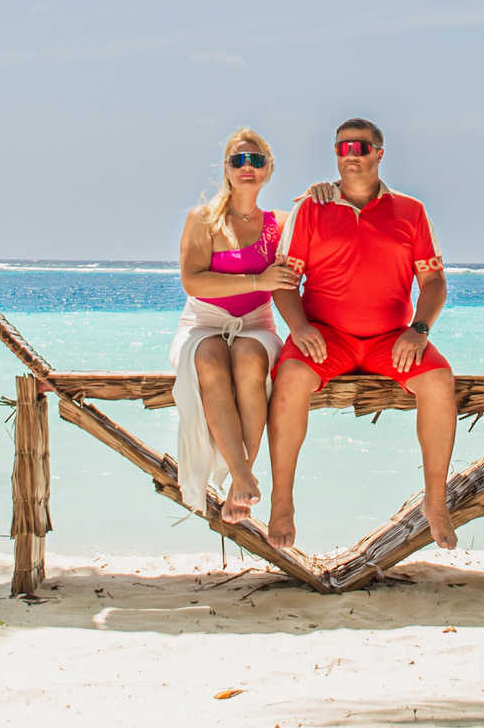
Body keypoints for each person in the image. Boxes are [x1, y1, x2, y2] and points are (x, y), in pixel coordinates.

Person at [265, 116, 457, 551]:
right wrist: (298, 326)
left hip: (391, 339)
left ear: (379, 154)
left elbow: (434, 282)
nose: (351, 155)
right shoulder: (311, 208)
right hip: (324, 337)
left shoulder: (412, 211)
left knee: (440, 381)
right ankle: (281, 503)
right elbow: (283, 280)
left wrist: (420, 330)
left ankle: (436, 500)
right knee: (291, 379)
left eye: (361, 148)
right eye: (342, 148)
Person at [173, 129, 303, 523]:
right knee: (211, 358)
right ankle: (242, 474)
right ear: (227, 169)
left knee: (249, 359)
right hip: (203, 320)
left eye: (256, 161)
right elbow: (193, 281)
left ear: (268, 171)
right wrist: (258, 281)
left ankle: (238, 483)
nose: (247, 167)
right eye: (238, 160)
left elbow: (321, 231)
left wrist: (322, 194)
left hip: (256, 323)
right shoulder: (204, 218)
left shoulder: (280, 223)